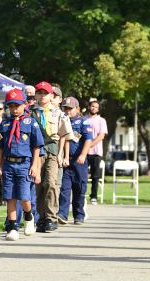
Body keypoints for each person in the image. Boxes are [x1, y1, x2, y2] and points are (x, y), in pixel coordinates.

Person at [0, 89, 43, 241]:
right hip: (8, 164)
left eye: (17, 105)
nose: (14, 109)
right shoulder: (4, 124)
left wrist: (35, 166)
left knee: (24, 196)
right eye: (11, 106)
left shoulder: (31, 123)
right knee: (10, 197)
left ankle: (29, 216)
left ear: (24, 104)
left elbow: (37, 146)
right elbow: (0, 148)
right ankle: (12, 227)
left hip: (24, 164)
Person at [31, 81, 73, 233]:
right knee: (38, 184)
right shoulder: (30, 112)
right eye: (39, 93)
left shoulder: (59, 113)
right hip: (36, 150)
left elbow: (64, 135)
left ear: (51, 96)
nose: (42, 96)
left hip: (53, 149)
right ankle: (41, 217)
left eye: (45, 93)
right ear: (36, 95)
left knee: (51, 182)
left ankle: (51, 217)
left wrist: (61, 154)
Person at [57, 97, 93, 225]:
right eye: (65, 109)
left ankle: (79, 215)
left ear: (77, 109)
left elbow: (88, 140)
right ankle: (62, 214)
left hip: (79, 161)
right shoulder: (62, 121)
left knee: (79, 188)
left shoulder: (83, 122)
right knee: (64, 188)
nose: (67, 111)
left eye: (70, 109)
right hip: (67, 160)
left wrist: (83, 155)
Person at [85, 99, 108, 205]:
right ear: (89, 107)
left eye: (96, 107)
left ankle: (93, 196)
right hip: (84, 152)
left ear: (98, 109)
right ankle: (81, 195)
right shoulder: (84, 119)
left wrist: (90, 145)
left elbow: (101, 136)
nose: (94, 108)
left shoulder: (101, 120)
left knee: (95, 175)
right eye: (92, 106)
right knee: (82, 174)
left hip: (96, 152)